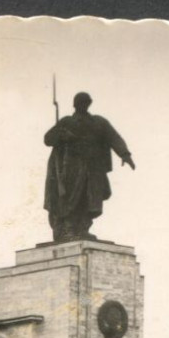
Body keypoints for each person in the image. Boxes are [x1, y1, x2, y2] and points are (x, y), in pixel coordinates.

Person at [43, 92, 135, 241]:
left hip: (94, 169)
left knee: (91, 200)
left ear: (89, 103)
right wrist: (60, 134)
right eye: (80, 102)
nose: (83, 105)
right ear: (75, 104)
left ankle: (83, 228)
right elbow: (48, 139)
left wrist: (125, 154)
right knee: (72, 199)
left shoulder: (98, 122)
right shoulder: (66, 122)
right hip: (72, 168)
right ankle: (68, 229)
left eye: (86, 102)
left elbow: (114, 137)